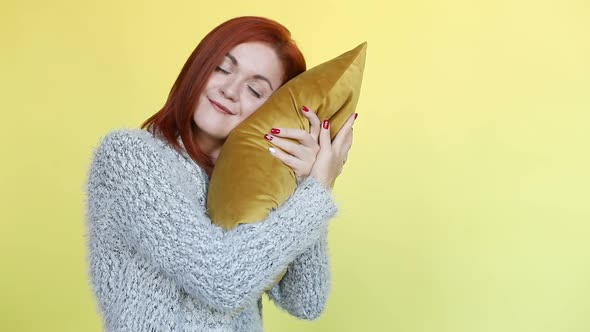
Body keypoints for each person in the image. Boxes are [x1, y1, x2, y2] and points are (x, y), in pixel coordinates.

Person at [85, 16, 357, 332]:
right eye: (222, 69)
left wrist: (304, 183)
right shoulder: (130, 155)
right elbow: (221, 280)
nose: (229, 90)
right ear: (198, 68)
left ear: (273, 110)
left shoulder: (252, 183)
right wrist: (317, 194)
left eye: (255, 90)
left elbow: (306, 302)